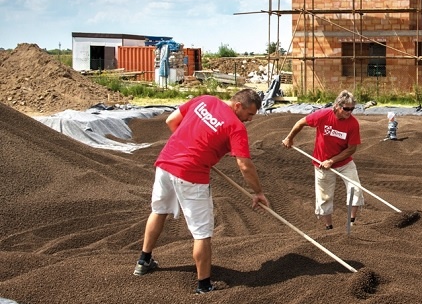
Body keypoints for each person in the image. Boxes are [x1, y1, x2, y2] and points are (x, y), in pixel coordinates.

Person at [134, 89, 270, 293]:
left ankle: (143, 261)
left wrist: (189, 146)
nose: (249, 120)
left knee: (159, 210)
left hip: (166, 164)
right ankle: (204, 285)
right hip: (191, 175)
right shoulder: (236, 127)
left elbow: (171, 121)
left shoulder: (205, 100)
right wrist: (258, 192)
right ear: (238, 105)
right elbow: (244, 165)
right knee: (202, 233)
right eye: (249, 115)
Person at [281, 90, 364, 230]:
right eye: (346, 108)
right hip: (322, 163)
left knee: (355, 189)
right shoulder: (323, 115)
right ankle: (328, 227)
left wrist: (332, 161)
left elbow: (351, 149)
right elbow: (301, 122)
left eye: (352, 109)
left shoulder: (353, 124)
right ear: (338, 106)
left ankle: (351, 224)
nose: (349, 112)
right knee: (324, 197)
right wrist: (289, 138)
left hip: (344, 162)